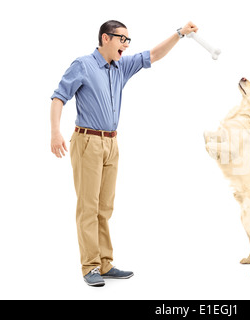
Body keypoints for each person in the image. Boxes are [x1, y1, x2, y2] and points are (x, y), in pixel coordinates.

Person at [50, 20, 198, 287]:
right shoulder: (83, 65)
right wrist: (55, 133)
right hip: (87, 143)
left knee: (104, 208)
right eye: (122, 39)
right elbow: (59, 96)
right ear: (106, 38)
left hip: (111, 144)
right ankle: (90, 267)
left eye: (128, 40)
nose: (126, 45)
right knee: (88, 208)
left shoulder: (120, 67)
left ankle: (105, 264)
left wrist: (179, 34)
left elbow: (153, 55)